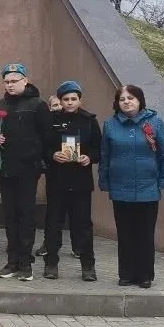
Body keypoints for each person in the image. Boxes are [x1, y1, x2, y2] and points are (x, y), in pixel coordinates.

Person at [99, 84, 164, 288]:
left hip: (147, 188)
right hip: (120, 188)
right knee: (125, 233)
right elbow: (105, 155)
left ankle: (144, 275)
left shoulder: (155, 122)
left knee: (145, 234)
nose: (127, 102)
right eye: (122, 99)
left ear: (140, 100)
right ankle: (126, 274)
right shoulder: (110, 125)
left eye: (131, 98)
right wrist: (104, 180)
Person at [0, 62, 51, 282]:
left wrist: (39, 161)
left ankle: (26, 263)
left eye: (14, 81)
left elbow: (47, 137)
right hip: (6, 171)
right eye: (6, 81)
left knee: (26, 217)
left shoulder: (38, 105)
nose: (10, 85)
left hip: (28, 171)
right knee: (10, 217)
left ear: (25, 80)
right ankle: (12, 261)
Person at [43, 80, 101, 281]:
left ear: (80, 100)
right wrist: (52, 155)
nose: (69, 102)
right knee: (53, 223)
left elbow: (98, 148)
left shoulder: (89, 120)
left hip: (81, 182)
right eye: (66, 99)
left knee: (83, 225)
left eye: (73, 99)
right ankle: (51, 263)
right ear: (60, 101)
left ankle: (88, 266)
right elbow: (42, 146)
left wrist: (89, 157)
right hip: (57, 180)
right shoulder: (51, 120)